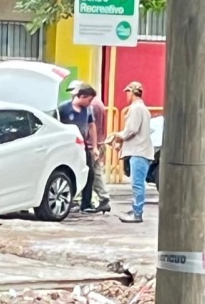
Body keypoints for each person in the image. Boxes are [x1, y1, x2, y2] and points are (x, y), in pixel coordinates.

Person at [109, 82, 154, 223]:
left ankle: (137, 213)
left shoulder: (136, 109)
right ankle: (135, 209)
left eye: (128, 92)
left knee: (137, 184)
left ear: (132, 93)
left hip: (139, 151)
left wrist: (118, 135)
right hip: (141, 150)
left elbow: (132, 130)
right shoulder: (143, 109)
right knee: (137, 184)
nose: (126, 95)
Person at [67, 80, 111, 213]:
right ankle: (87, 200)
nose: (71, 96)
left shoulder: (91, 106)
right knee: (91, 173)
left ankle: (102, 199)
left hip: (90, 145)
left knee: (93, 174)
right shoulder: (94, 104)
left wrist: (94, 146)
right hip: (92, 144)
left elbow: (92, 127)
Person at [58, 83, 98, 212]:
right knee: (67, 174)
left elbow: (92, 126)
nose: (90, 102)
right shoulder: (63, 108)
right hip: (66, 147)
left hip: (82, 146)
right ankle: (67, 202)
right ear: (81, 96)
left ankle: (86, 204)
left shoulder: (88, 110)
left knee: (89, 174)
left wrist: (95, 147)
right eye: (89, 99)